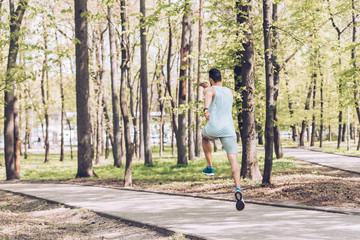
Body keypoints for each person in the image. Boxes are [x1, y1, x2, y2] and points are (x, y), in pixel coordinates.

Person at [199, 68, 245, 211]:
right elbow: (214, 92)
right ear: (220, 79)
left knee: (204, 136)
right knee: (233, 158)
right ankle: (238, 187)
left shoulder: (210, 90)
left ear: (211, 79)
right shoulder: (228, 91)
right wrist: (208, 87)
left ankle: (210, 167)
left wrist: (206, 110)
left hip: (214, 126)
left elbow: (209, 96)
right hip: (229, 129)